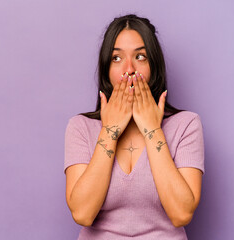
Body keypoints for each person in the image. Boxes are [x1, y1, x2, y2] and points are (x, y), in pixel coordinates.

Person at [64, 14, 204, 239]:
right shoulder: (81, 127)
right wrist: (110, 130)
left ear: (154, 66)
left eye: (140, 56)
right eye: (116, 59)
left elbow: (181, 213)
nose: (128, 69)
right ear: (106, 69)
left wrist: (152, 130)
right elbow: (82, 213)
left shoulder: (186, 125)